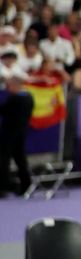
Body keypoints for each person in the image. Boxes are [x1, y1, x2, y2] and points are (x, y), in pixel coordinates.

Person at [1, 63, 33, 197]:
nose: (8, 89)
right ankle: (26, 184)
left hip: (9, 133)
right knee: (21, 159)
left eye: (9, 86)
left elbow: (4, 110)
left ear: (15, 85)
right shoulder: (29, 97)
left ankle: (3, 186)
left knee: (3, 159)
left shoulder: (15, 99)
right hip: (22, 131)